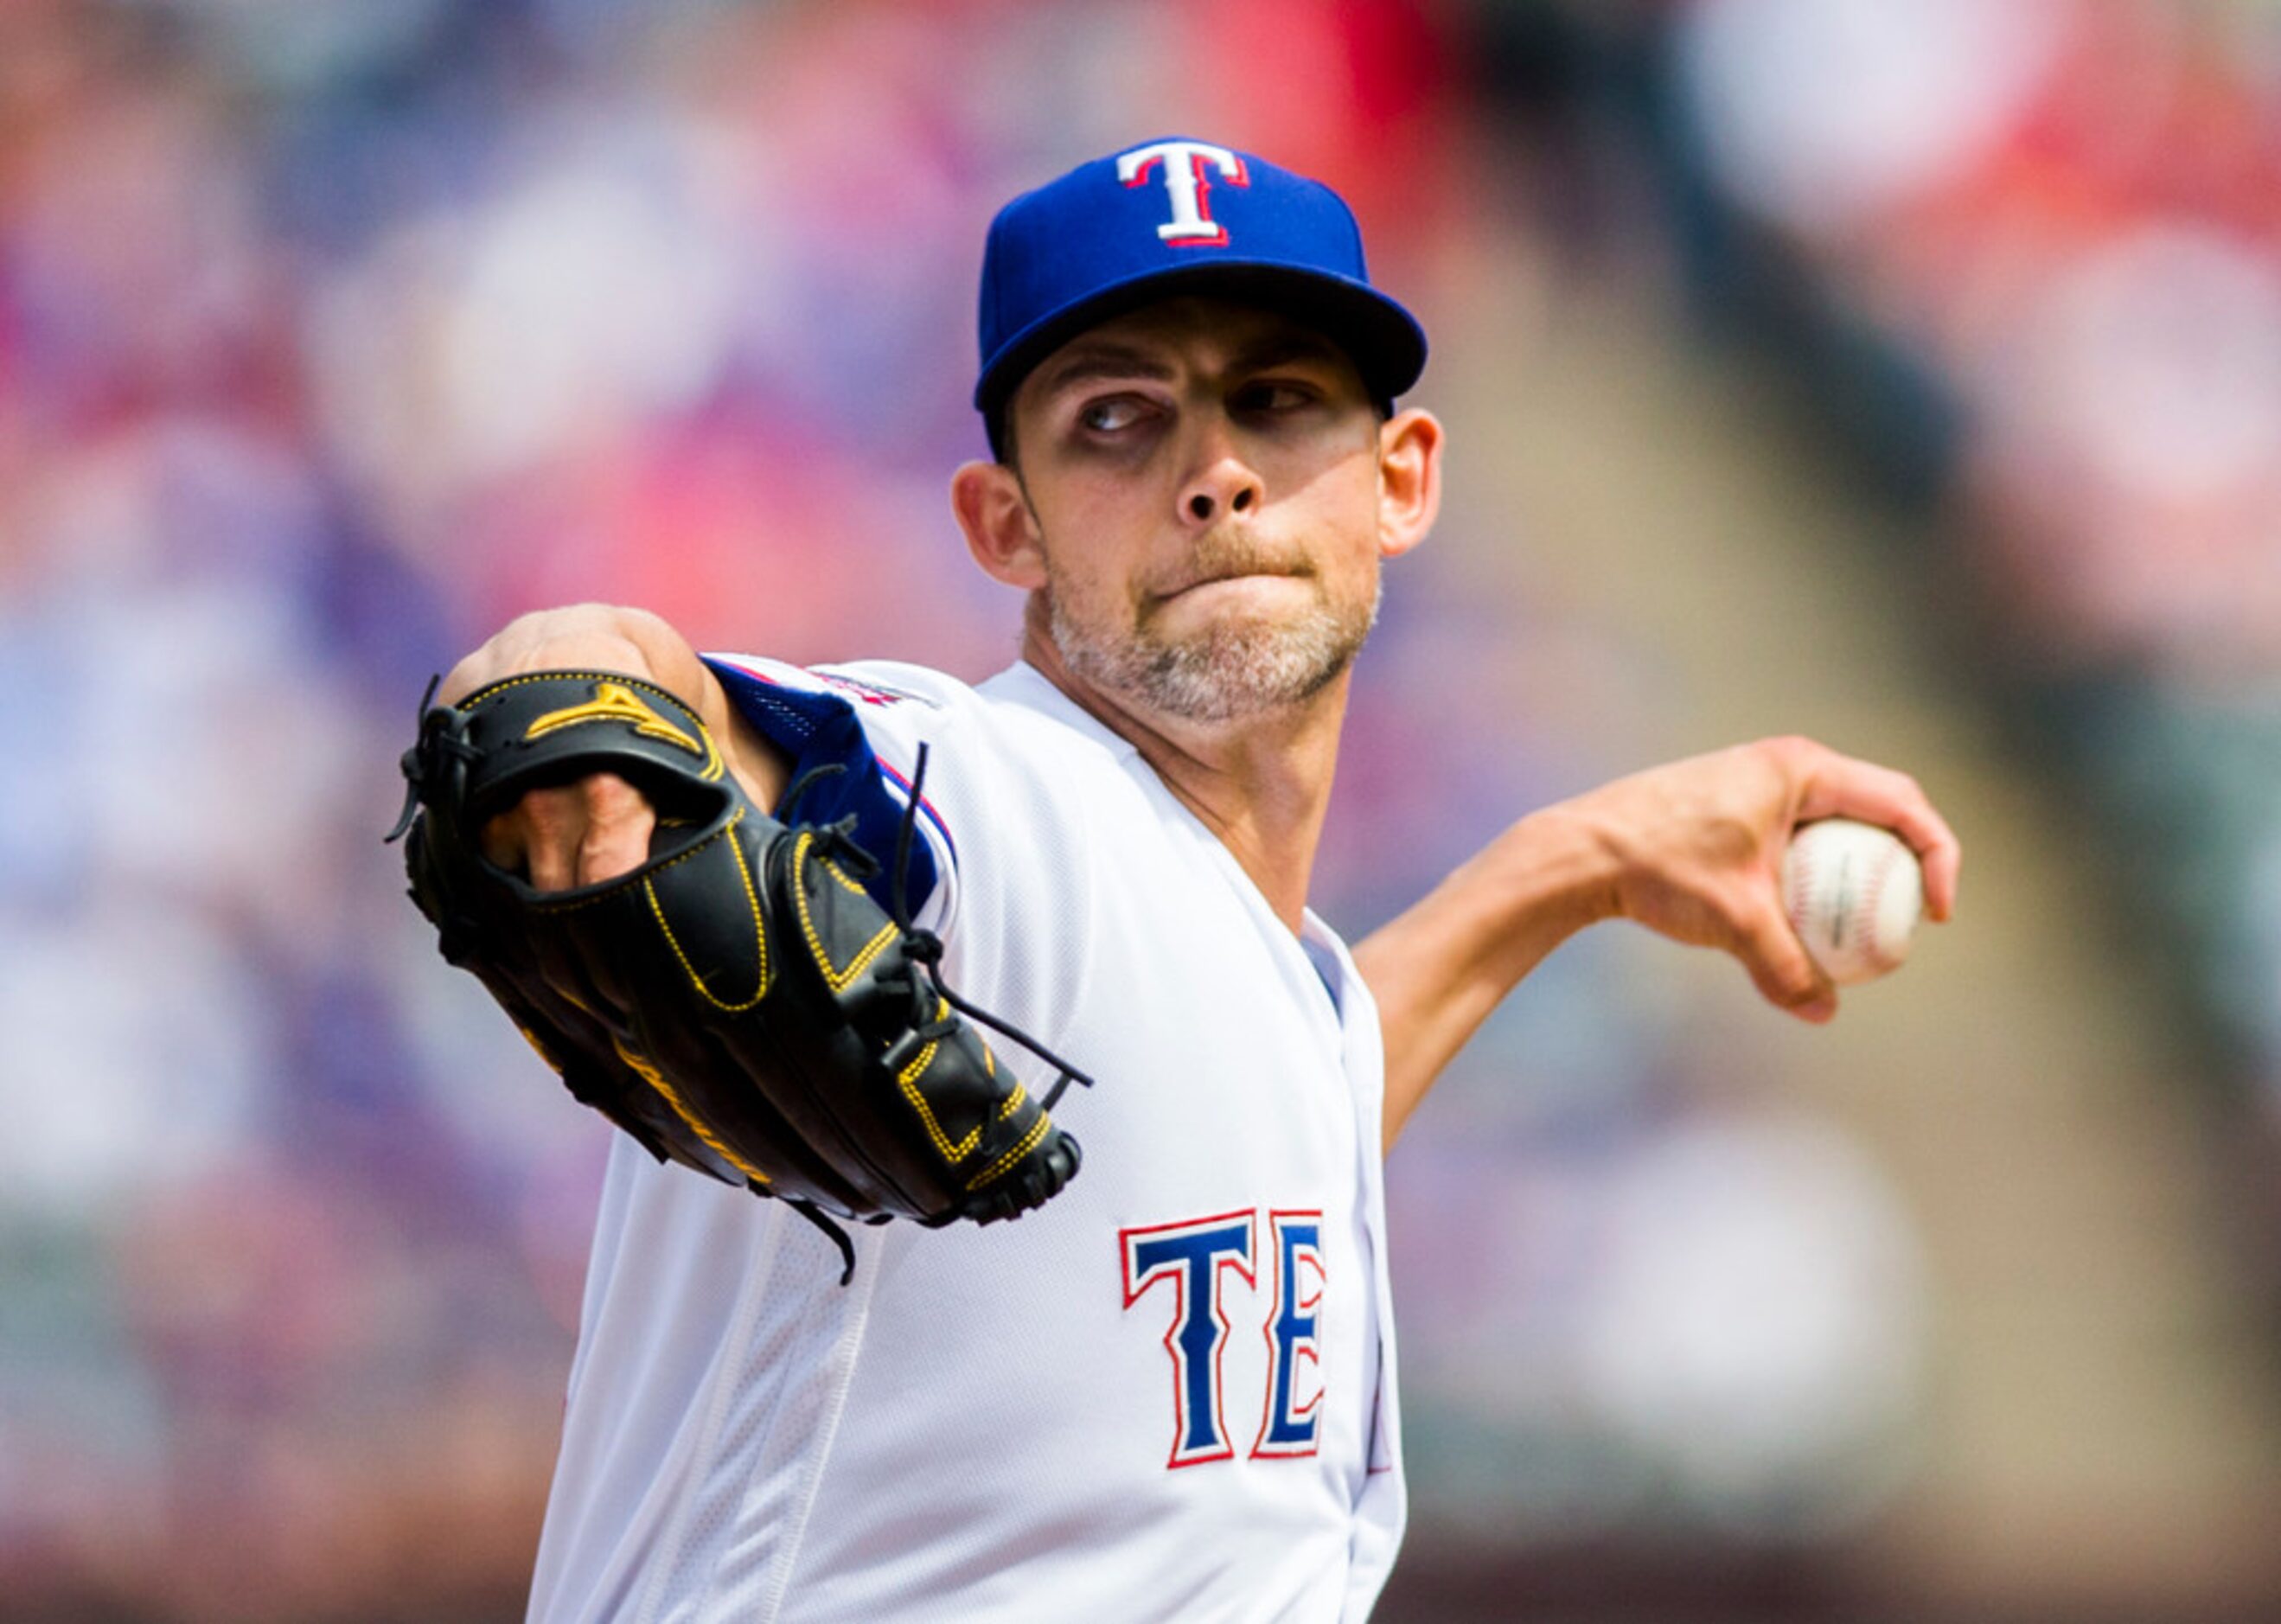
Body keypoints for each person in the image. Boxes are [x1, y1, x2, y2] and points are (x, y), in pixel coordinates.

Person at [438, 137, 1960, 1622]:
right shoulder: (985, 808)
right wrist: (570, 751)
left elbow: (1267, 1109)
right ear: (1004, 525)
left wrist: (1571, 865)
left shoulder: (1244, 961)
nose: (1215, 471)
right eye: (1116, 418)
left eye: (1278, 400)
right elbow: (594, 669)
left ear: (1401, 481)